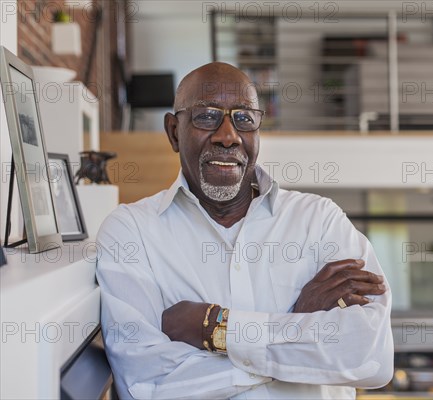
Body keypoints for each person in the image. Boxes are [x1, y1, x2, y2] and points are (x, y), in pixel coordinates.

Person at [96, 62, 394, 399]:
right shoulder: (130, 232)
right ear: (174, 132)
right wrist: (294, 323)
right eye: (207, 116)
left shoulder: (320, 221)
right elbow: (146, 384)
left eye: (244, 118)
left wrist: (213, 327)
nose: (228, 136)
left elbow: (370, 356)